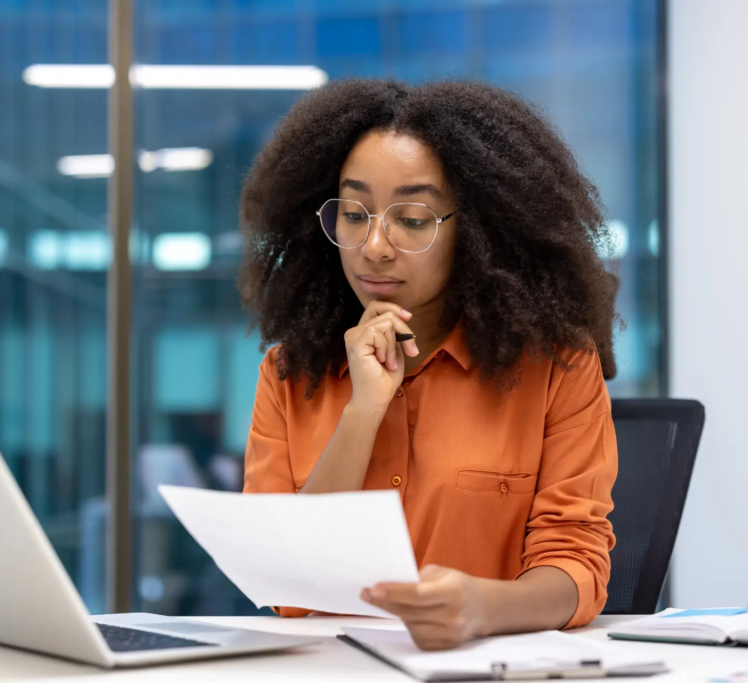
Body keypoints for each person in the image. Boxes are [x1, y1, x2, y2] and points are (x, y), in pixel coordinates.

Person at [237, 79, 620, 650]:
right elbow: (285, 588)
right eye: (354, 213)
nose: (374, 247)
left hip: (485, 664)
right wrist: (362, 413)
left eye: (412, 219)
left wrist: (480, 608)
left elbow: (576, 568)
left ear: (480, 230)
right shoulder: (288, 374)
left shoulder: (557, 368)